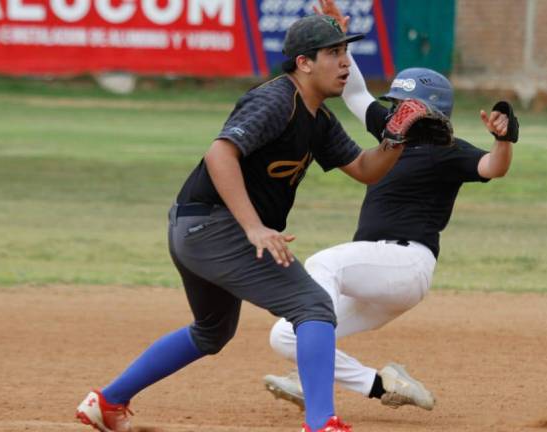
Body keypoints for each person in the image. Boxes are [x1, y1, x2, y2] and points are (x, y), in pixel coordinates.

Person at [75, 14, 407, 432]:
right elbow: (220, 154)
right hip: (214, 226)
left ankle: (108, 401)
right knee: (314, 307)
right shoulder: (276, 99)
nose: (345, 63)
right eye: (334, 53)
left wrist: (396, 139)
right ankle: (322, 423)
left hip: (193, 227)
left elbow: (364, 168)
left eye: (346, 52)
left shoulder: (318, 119)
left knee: (212, 331)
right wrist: (253, 227)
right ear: (304, 63)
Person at [262, 0, 519, 414]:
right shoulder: (391, 135)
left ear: (431, 111)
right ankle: (381, 384)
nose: (396, 110)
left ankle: (315, 386)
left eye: (405, 105)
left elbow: (494, 167)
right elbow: (356, 91)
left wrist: (503, 140)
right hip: (375, 274)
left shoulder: (447, 150)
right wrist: (337, 41)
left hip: (405, 264)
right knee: (285, 335)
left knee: (322, 266)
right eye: (397, 104)